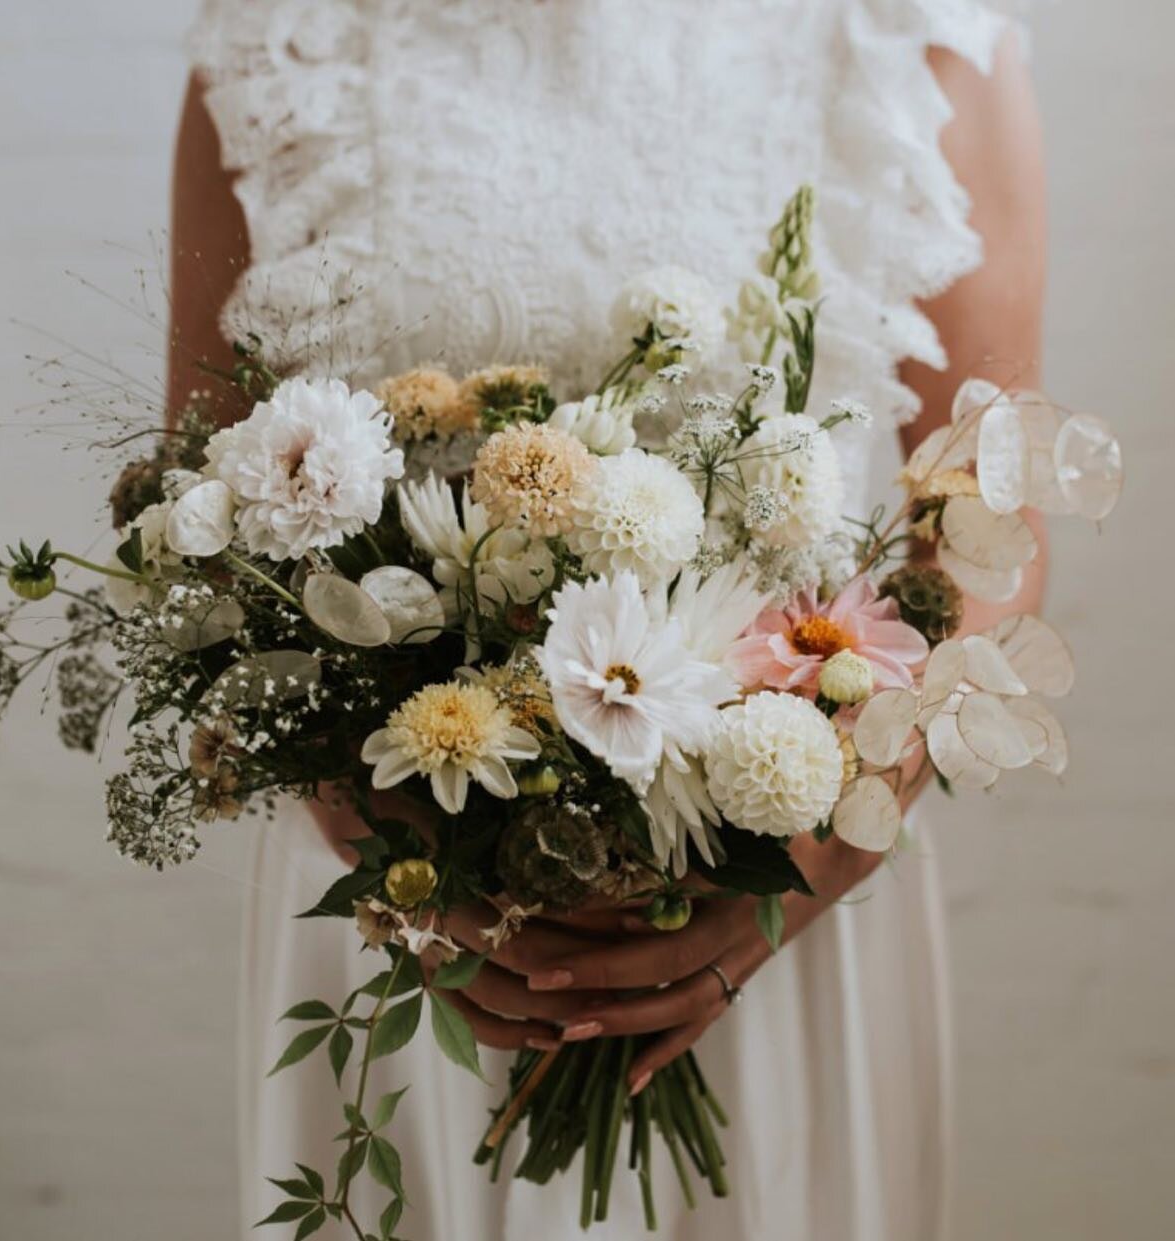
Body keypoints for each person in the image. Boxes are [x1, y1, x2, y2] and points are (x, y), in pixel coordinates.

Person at [169, 3, 1048, 1236]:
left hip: (782, 897)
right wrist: (394, 850)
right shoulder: (289, 39)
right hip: (409, 909)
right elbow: (206, 500)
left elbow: (987, 518)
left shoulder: (913, 32)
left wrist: (794, 874)